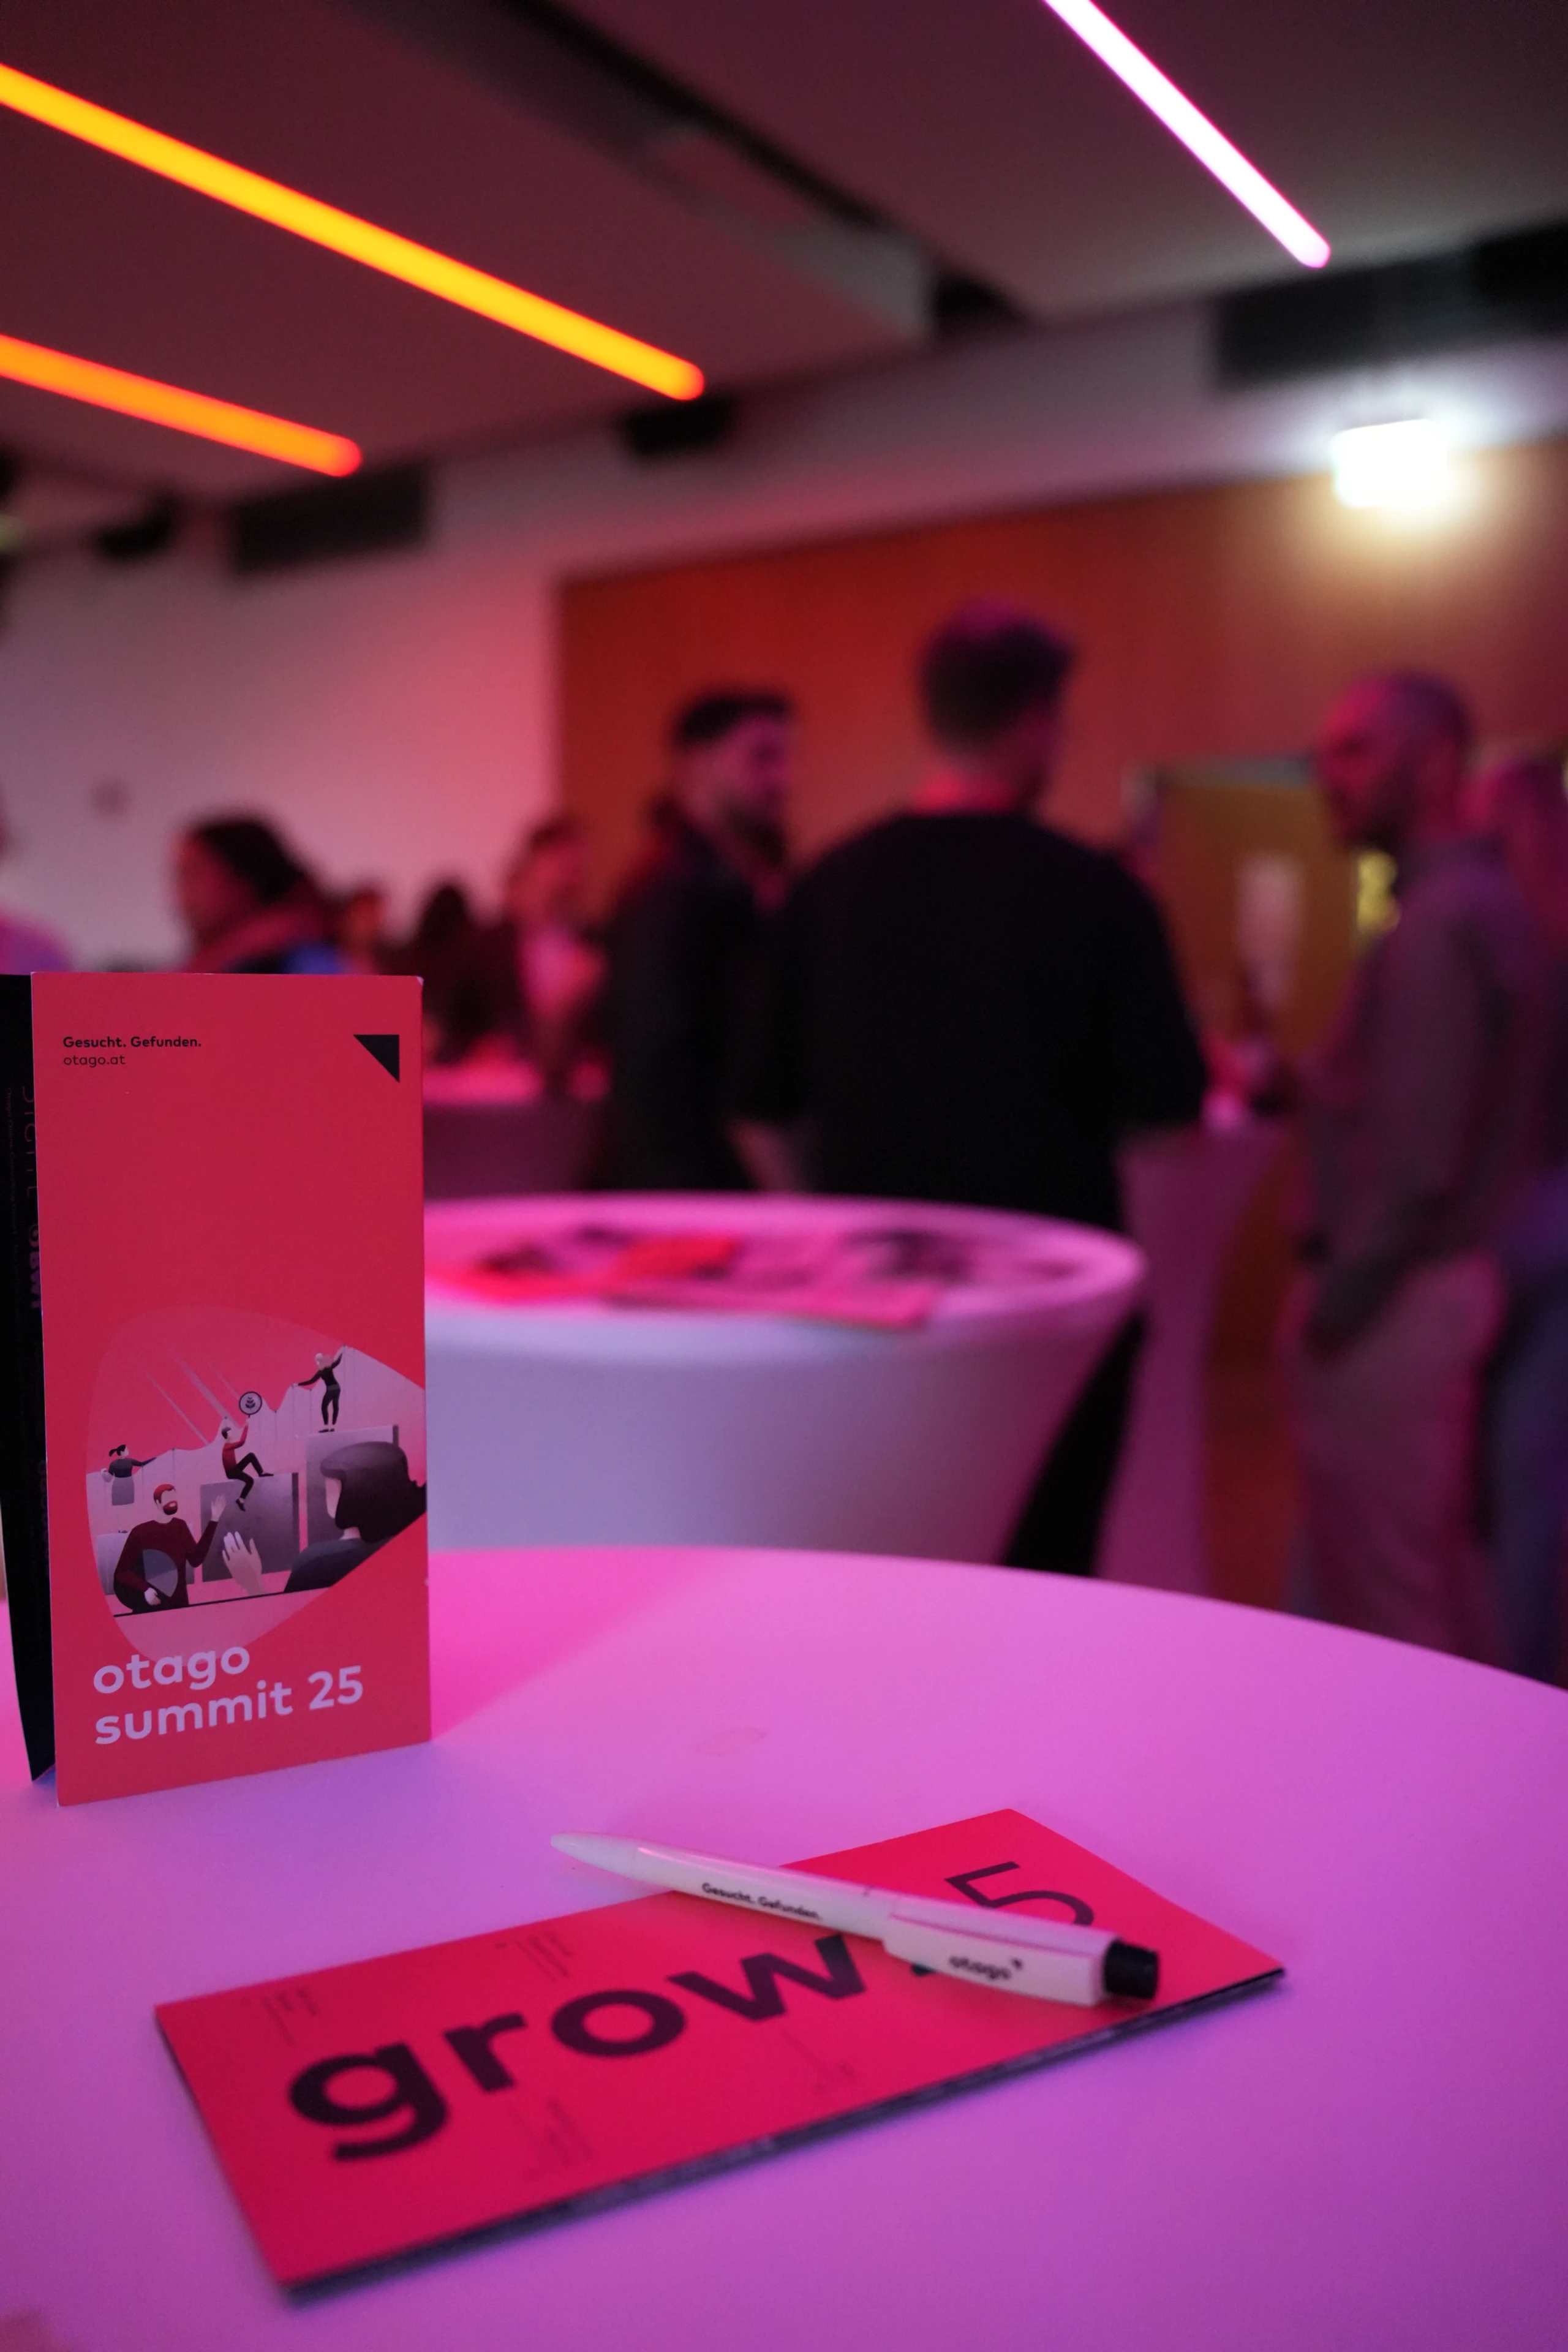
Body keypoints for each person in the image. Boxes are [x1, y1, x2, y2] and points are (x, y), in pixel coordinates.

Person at [734, 601, 1207, 1572]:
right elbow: (1169, 1118)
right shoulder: (1100, 893)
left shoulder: (828, 885)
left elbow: (757, 1108)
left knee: (885, 1574)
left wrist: (831, 1225)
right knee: (1045, 1578)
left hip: (870, 1310)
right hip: (1050, 1315)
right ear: (1036, 721)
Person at [1284, 674, 1547, 1657]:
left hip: (1396, 1301)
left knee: (1395, 1606)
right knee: (1431, 1577)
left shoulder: (1442, 920)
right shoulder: (1478, 905)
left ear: (1436, 764)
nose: (1328, 774)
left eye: (1356, 750)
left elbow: (1417, 1165)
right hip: (1429, 1284)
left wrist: (1334, 1307)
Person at [603, 688, 795, 1188]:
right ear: (698, 762)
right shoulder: (673, 890)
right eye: (761, 757)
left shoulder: (733, 879)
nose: (782, 779)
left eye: (784, 758)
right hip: (692, 1192)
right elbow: (660, 1074)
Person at [1469, 751, 1568, 1680]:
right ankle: (1526, 1686)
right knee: (1534, 1471)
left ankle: (1478, 1683)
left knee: (1461, 1479)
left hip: (1506, 1215)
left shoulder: (1494, 940)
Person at [461, 817, 607, 1089]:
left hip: (577, 1089)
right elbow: (454, 1020)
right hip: (500, 1090)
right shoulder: (489, 943)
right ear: (532, 863)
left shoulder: (593, 944)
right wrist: (476, 1048)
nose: (570, 878)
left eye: (576, 868)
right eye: (561, 864)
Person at [175, 816, 346, 974]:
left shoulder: (308, 960)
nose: (183, 899)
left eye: (192, 874)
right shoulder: (231, 958)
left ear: (242, 877)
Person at [112, 1483, 224, 1613]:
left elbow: (196, 1560)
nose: (172, 1501)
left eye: (173, 1497)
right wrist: (145, 1589)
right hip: (149, 1610)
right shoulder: (140, 1533)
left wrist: (214, 1519)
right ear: (158, 1503)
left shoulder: (180, 1527)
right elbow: (122, 1572)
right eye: (168, 1498)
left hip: (178, 1607)